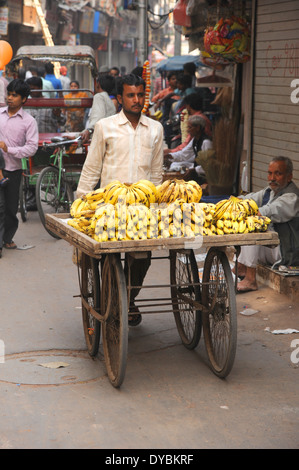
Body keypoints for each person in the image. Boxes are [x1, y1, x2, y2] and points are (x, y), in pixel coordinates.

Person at [77, 73, 164, 326]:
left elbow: (157, 173)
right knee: (108, 259)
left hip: (142, 210)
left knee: (142, 259)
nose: (136, 100)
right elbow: (92, 167)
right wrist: (81, 202)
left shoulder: (155, 129)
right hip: (109, 208)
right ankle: (111, 297)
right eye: (130, 95)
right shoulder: (106, 127)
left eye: (140, 95)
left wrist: (158, 207)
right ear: (119, 98)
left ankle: (128, 298)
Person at [236, 156, 299, 293]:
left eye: (278, 173)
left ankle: (251, 279)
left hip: (285, 253)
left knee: (254, 225)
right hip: (272, 249)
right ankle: (241, 267)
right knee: (242, 220)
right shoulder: (269, 191)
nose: (272, 178)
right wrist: (235, 202)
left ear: (289, 177)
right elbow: (250, 199)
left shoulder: (292, 197)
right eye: (270, 173)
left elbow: (272, 210)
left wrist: (253, 212)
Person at [0, 79, 38, 257]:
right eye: (9, 94)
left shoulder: (29, 121)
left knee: (10, 207)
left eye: (14, 95)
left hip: (13, 169)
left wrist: (10, 149)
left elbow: (32, 147)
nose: (10, 98)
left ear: (24, 99)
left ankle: (7, 238)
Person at [164, 114, 212, 184]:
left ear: (198, 128)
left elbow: (208, 165)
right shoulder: (195, 140)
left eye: (190, 127)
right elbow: (184, 153)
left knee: (185, 171)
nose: (188, 130)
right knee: (174, 166)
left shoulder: (206, 142)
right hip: (195, 168)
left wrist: (193, 170)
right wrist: (169, 155)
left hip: (203, 174)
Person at [81, 74, 116, 143]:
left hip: (100, 139)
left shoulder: (99, 96)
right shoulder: (109, 100)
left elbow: (98, 118)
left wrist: (88, 130)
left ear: (98, 84)